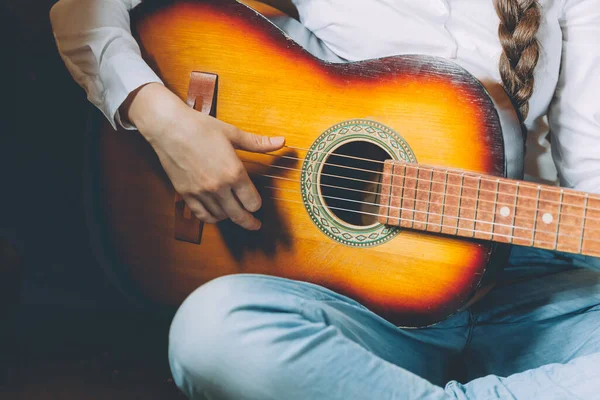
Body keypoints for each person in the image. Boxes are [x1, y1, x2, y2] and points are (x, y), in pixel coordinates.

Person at [49, 0, 600, 398]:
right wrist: (163, 120)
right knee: (211, 334)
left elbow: (590, 172)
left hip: (529, 285)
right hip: (354, 299)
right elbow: (82, 9)